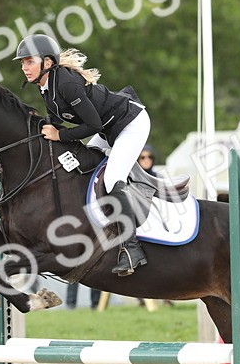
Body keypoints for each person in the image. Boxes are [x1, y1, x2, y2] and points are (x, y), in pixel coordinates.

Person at [15, 34, 151, 276]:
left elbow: (93, 125)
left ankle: (132, 249)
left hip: (130, 123)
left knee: (112, 178)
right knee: (82, 165)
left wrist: (60, 135)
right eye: (23, 63)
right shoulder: (45, 86)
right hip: (108, 129)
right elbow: (55, 122)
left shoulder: (66, 84)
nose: (24, 68)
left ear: (47, 62)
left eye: (29, 61)